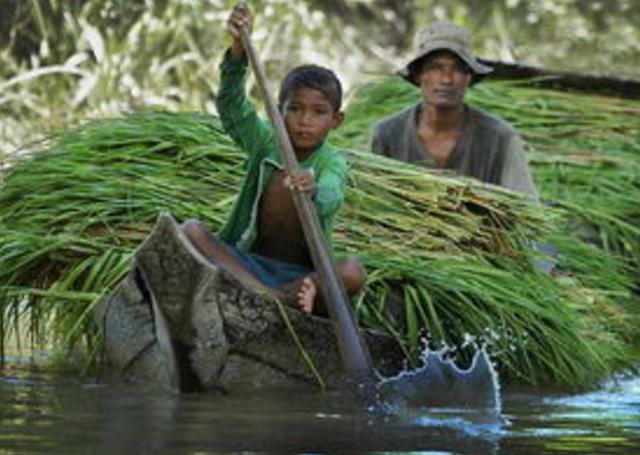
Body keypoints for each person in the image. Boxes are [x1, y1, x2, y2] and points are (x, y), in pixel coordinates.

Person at [181, 3, 365, 316]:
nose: (305, 121)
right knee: (190, 230)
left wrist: (314, 189)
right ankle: (268, 295)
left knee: (352, 270)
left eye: (318, 112)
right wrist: (238, 52)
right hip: (246, 263)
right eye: (295, 109)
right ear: (278, 111)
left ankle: (290, 294)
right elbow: (231, 107)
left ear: (336, 120)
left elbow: (332, 195)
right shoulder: (266, 140)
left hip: (301, 276)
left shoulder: (331, 162)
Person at [371, 20, 539, 201]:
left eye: (458, 69)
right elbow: (374, 204)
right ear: (419, 75)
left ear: (469, 78)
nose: (446, 79)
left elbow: (526, 205)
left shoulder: (500, 137)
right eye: (435, 68)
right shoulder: (387, 135)